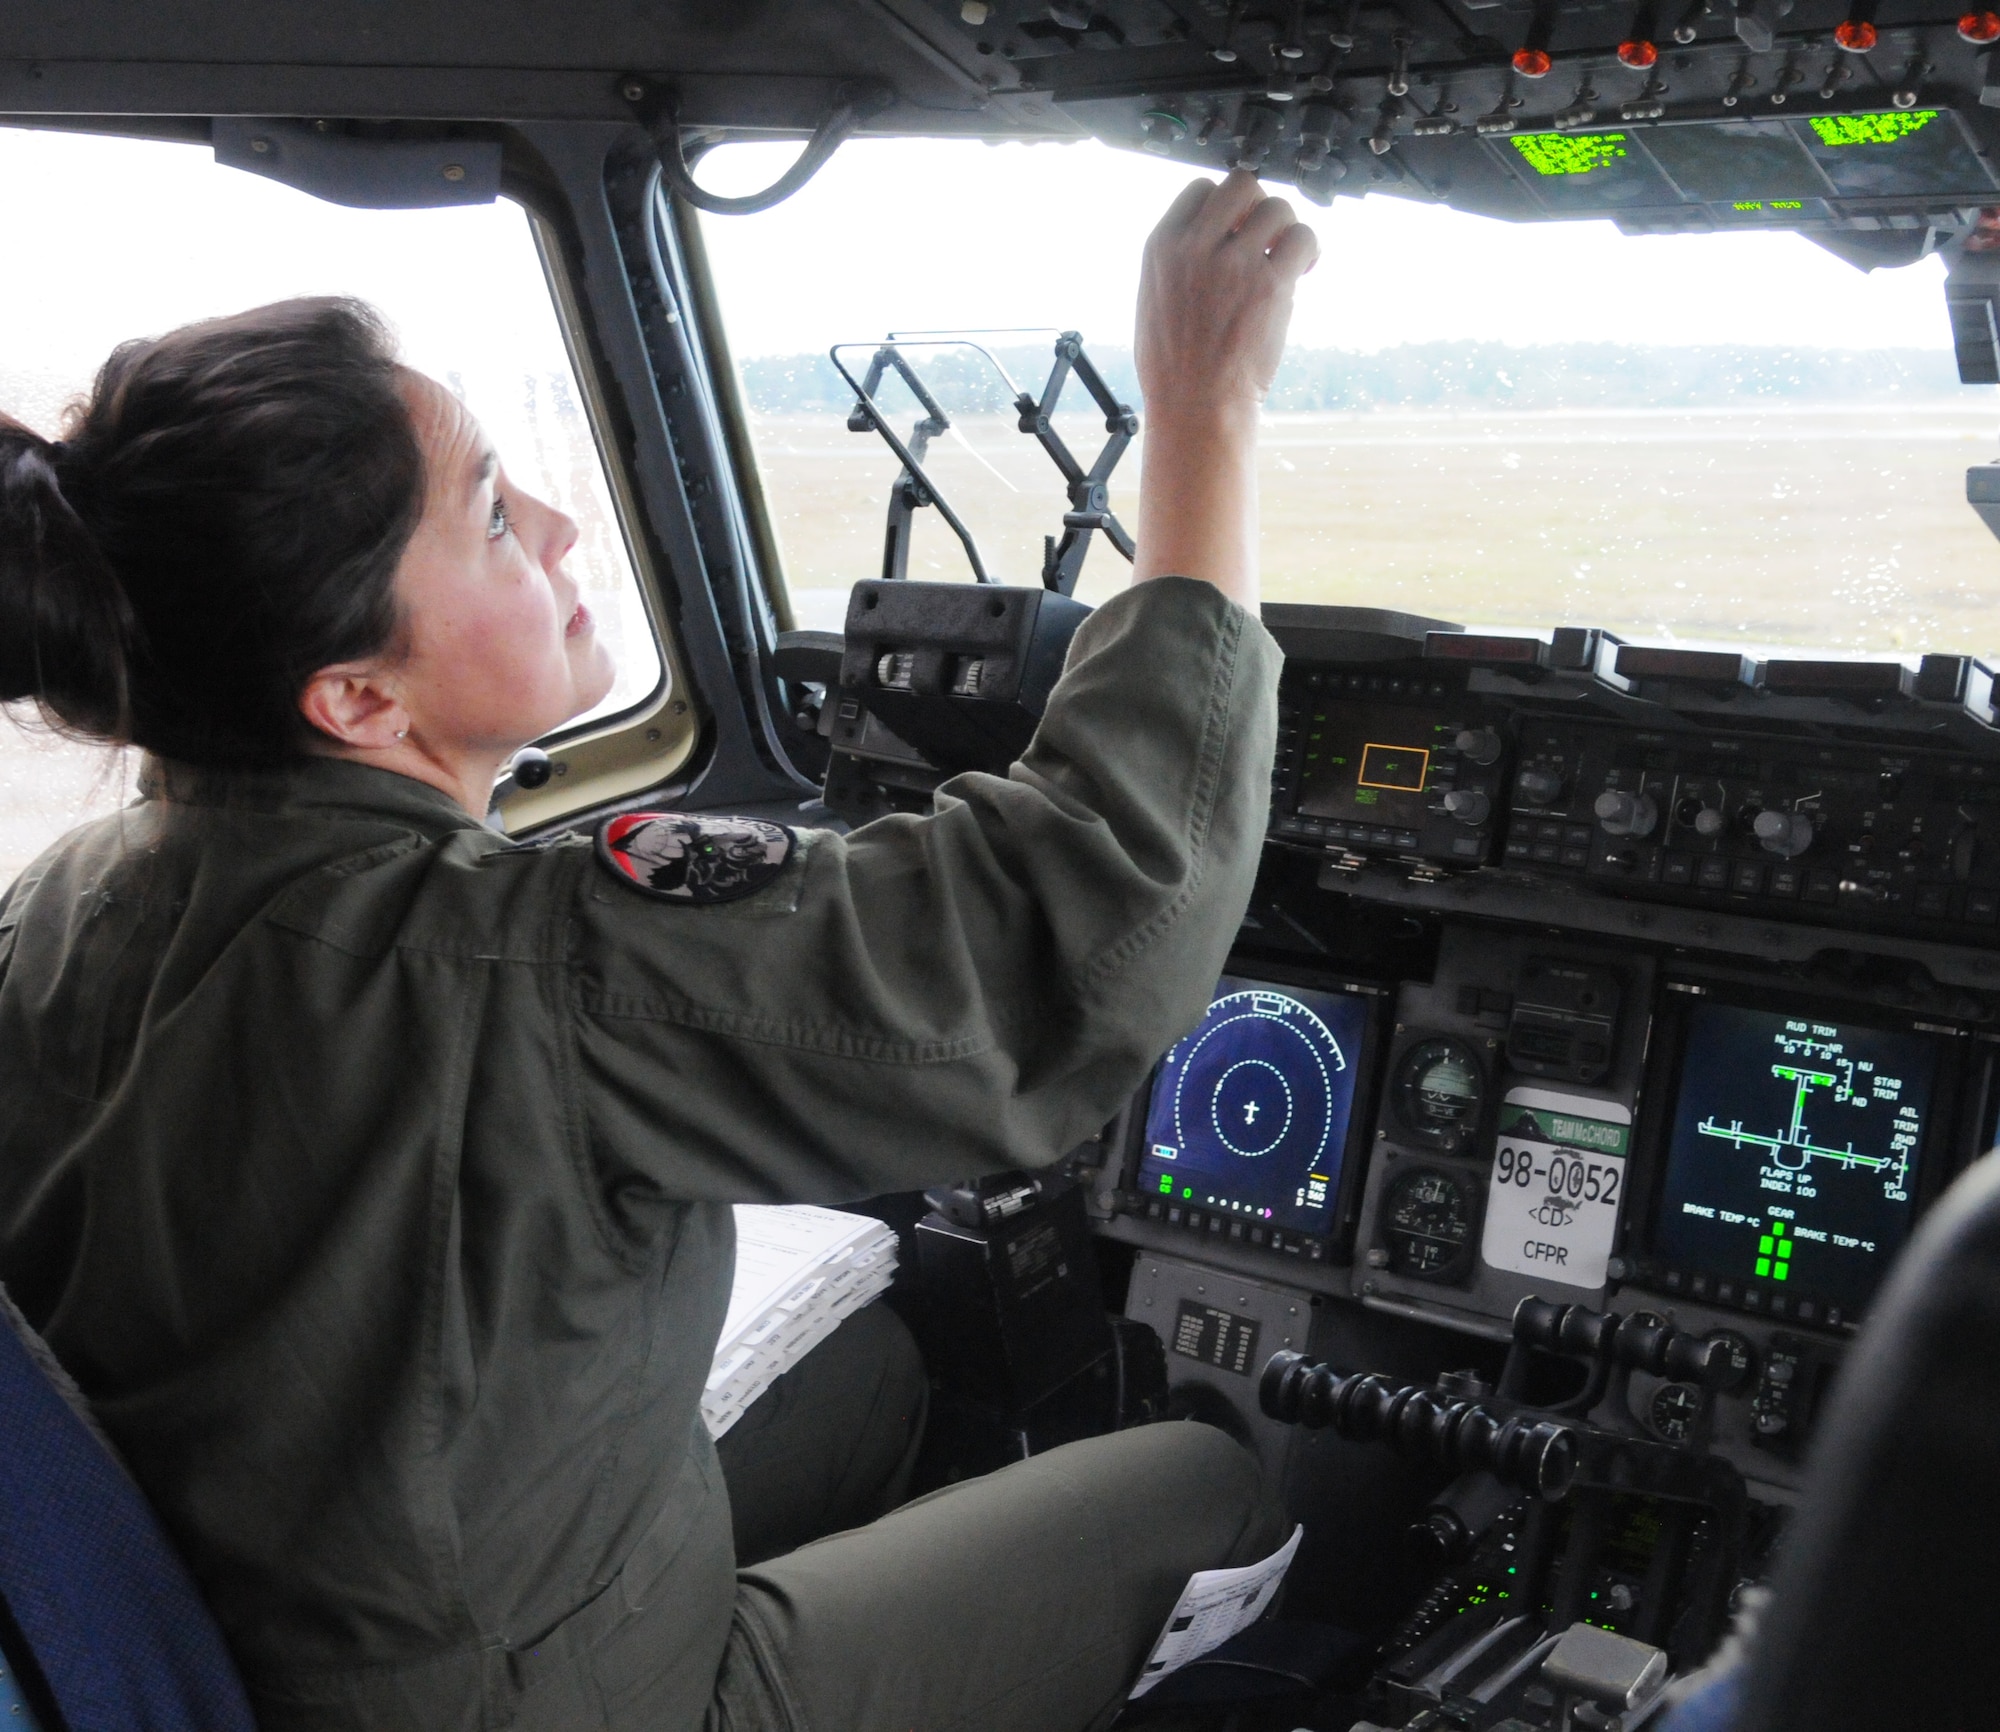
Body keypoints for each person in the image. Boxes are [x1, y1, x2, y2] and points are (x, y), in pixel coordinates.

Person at [0, 169, 1318, 1732]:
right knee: (1206, 1481)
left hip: (279, 1635)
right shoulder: (510, 963)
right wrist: (1204, 412)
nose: (557, 526)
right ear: (356, 701)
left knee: (883, 1374)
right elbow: (1068, 938)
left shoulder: (63, 901)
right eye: (491, 513)